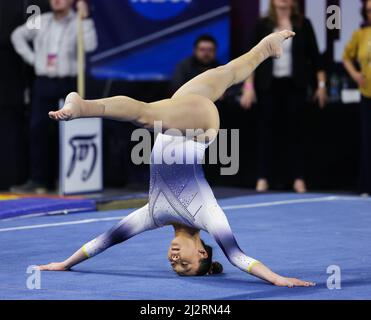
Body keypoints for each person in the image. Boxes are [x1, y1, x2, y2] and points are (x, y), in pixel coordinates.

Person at [38, 30, 315, 288]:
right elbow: (236, 256)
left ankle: (266, 47)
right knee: (146, 115)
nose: (175, 260)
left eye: (175, 267)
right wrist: (277, 279)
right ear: (202, 251)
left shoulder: (154, 215)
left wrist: (65, 263)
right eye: (186, 263)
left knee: (224, 74)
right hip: (200, 127)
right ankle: (83, 106)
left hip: (179, 116)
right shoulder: (206, 214)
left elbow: (105, 241)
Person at [10, 0, 98, 194]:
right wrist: (33, 59)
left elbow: (90, 46)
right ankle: (40, 180)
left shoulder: (79, 22)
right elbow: (17, 35)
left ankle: (67, 180)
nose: (57, 0)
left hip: (69, 83)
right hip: (44, 82)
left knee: (67, 131)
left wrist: (85, 20)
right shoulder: (41, 21)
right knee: (38, 129)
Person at [240, 0, 327, 193]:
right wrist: (248, 86)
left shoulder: (303, 24)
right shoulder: (262, 24)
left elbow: (315, 57)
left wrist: (321, 85)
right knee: (265, 133)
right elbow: (251, 57)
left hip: (294, 86)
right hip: (268, 86)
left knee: (295, 132)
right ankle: (262, 177)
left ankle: (298, 178)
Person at [343, 0, 371, 197]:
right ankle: (366, 187)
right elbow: (346, 56)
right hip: (367, 94)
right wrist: (355, 75)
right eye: (369, 10)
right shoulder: (360, 35)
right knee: (368, 142)